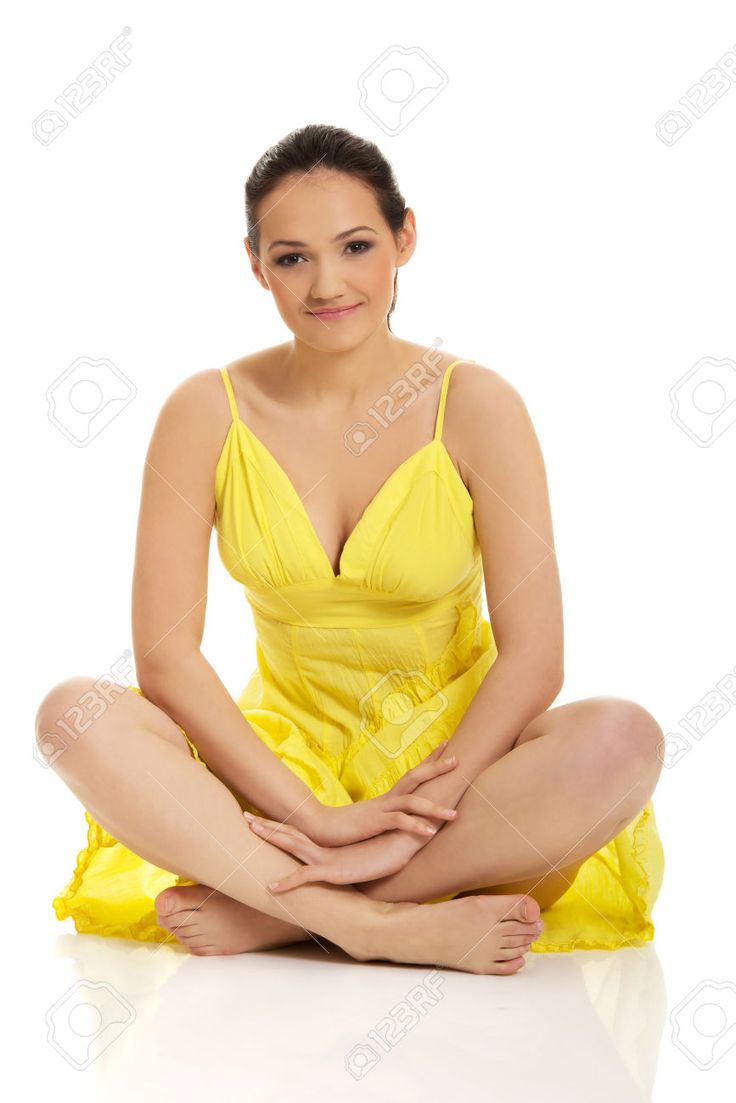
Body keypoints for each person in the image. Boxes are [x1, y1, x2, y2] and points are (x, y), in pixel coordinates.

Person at [37, 123, 665, 975]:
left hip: (457, 792)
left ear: (405, 237)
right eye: (292, 258)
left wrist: (425, 802)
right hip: (272, 778)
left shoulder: (478, 403)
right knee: (72, 713)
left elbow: (536, 658)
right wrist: (314, 817)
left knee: (624, 738)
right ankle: (377, 929)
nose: (327, 284)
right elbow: (167, 658)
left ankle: (291, 911)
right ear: (256, 264)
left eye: (356, 246)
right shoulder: (205, 409)